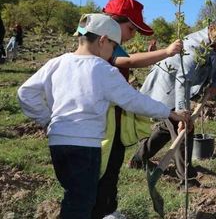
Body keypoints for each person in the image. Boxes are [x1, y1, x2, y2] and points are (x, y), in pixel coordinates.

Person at [17, 14, 189, 219]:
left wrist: (46, 120)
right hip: (86, 147)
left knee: (73, 194)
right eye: (113, 46)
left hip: (58, 144)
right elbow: (134, 101)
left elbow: (25, 93)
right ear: (102, 40)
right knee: (82, 201)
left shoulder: (57, 63)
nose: (112, 53)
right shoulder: (103, 70)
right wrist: (169, 113)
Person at [93, 0, 183, 219]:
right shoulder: (103, 47)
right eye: (131, 29)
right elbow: (130, 61)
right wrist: (166, 52)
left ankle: (108, 209)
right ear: (114, 22)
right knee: (103, 169)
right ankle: (102, 211)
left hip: (113, 122)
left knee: (111, 167)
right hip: (101, 124)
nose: (132, 35)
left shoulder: (110, 45)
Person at [130, 17, 216, 187]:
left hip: (182, 87)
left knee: (168, 128)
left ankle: (138, 160)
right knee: (184, 129)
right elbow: (182, 80)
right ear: (211, 29)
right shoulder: (194, 47)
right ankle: (187, 180)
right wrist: (182, 113)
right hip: (168, 86)